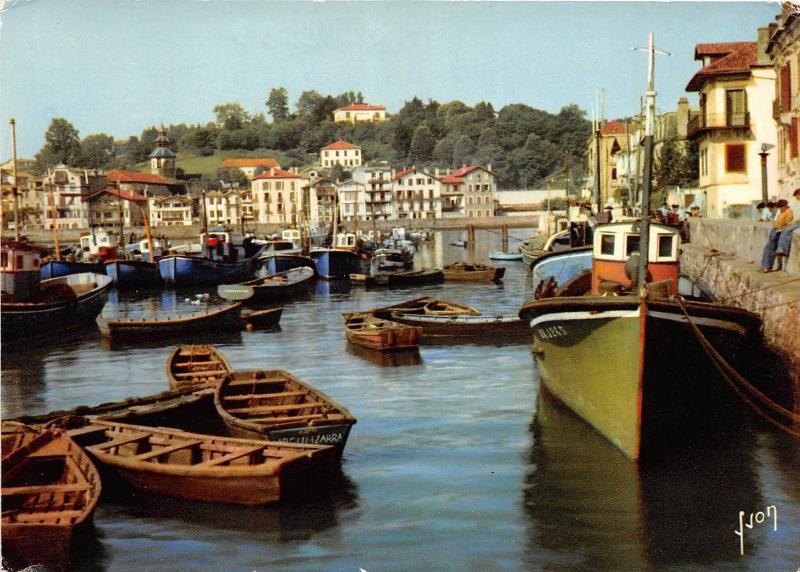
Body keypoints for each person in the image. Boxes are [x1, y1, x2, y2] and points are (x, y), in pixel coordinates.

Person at [760, 199, 793, 272]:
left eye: (781, 207)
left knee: (770, 248)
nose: (780, 209)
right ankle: (765, 266)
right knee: (768, 248)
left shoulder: (788, 212)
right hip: (775, 230)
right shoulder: (782, 212)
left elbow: (788, 224)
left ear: (784, 206)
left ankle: (767, 267)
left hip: (778, 231)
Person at [773, 188, 800, 270]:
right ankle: (781, 249)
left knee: (787, 230)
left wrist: (792, 223)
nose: (796, 198)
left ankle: (783, 250)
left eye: (797, 196)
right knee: (785, 231)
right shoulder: (797, 204)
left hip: (798, 222)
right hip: (796, 222)